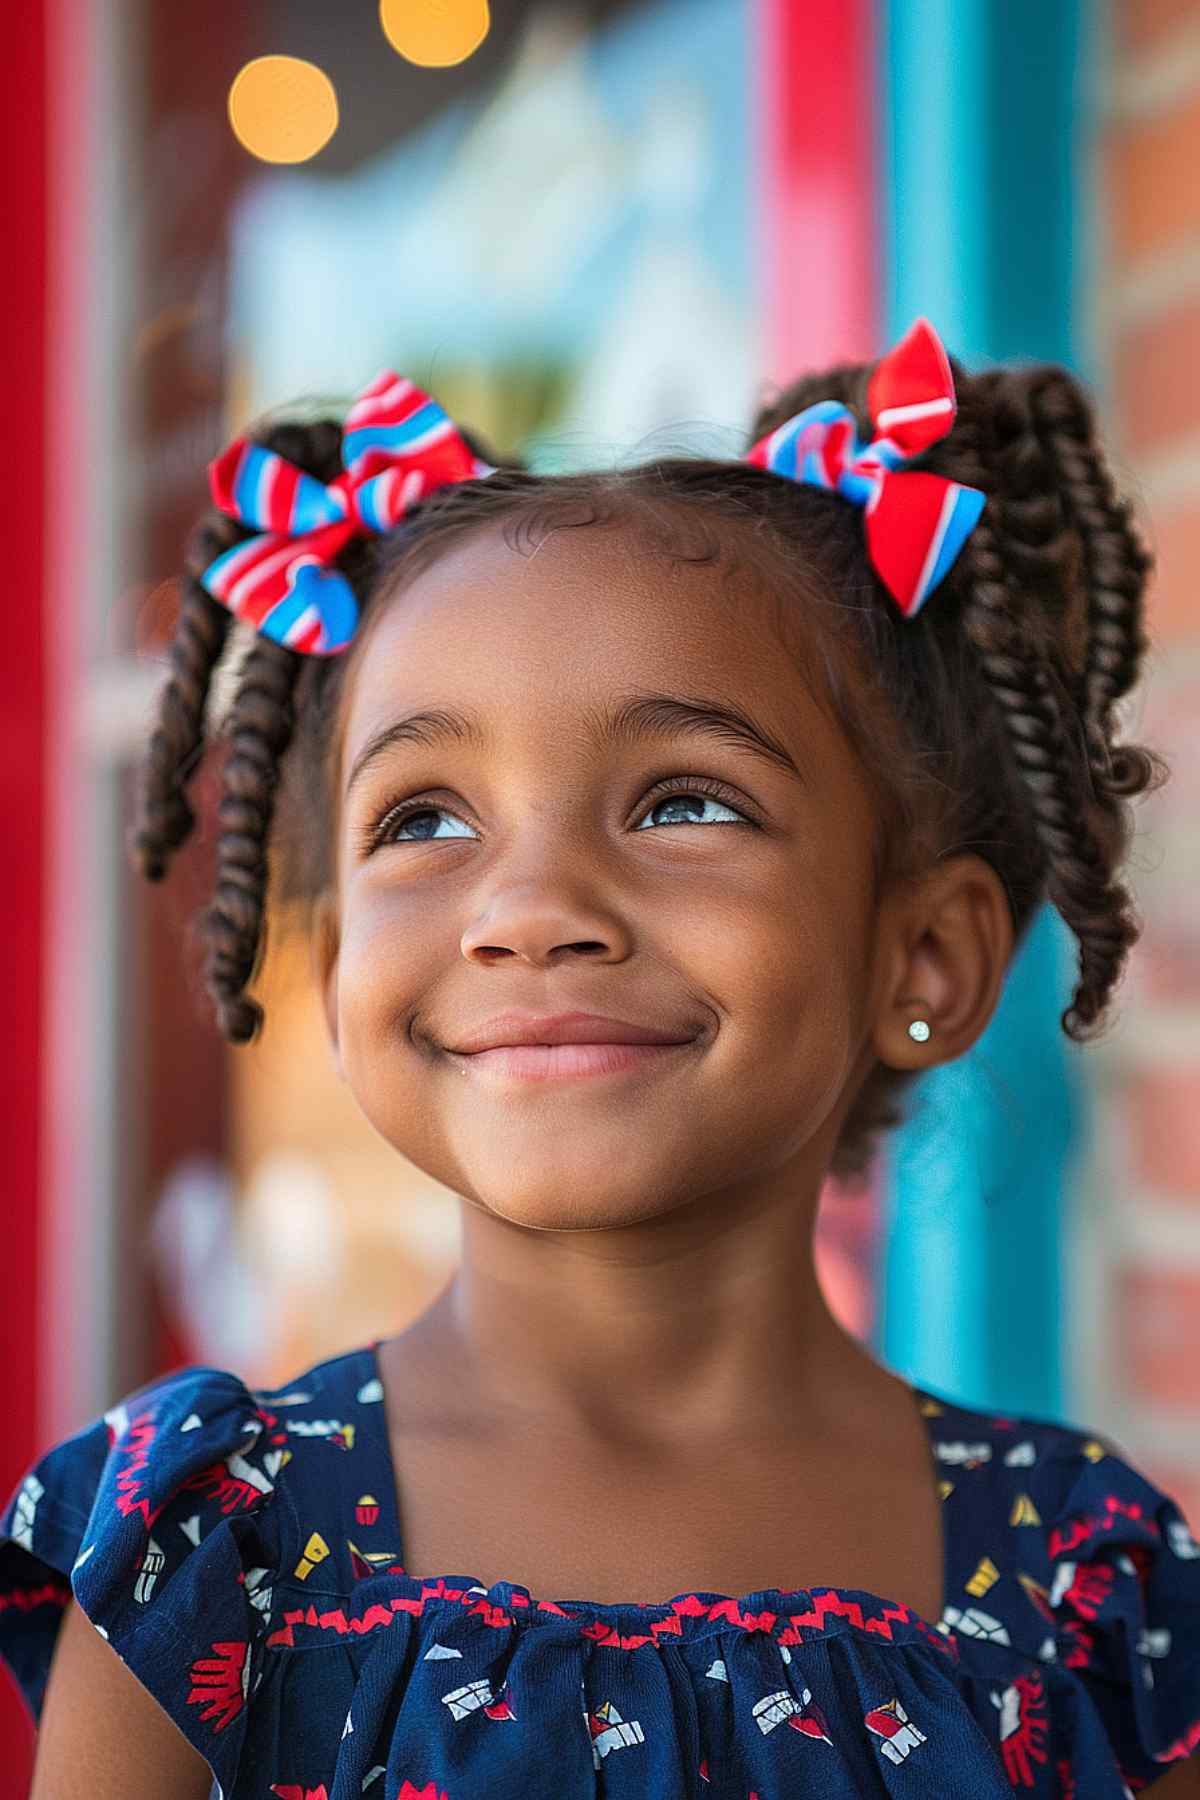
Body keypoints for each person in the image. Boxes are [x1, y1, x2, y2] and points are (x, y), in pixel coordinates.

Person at [2, 322, 1198, 1799]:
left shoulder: (1092, 1585)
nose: (529, 912)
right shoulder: (207, 1546)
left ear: (926, 958)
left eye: (685, 803)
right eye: (425, 820)